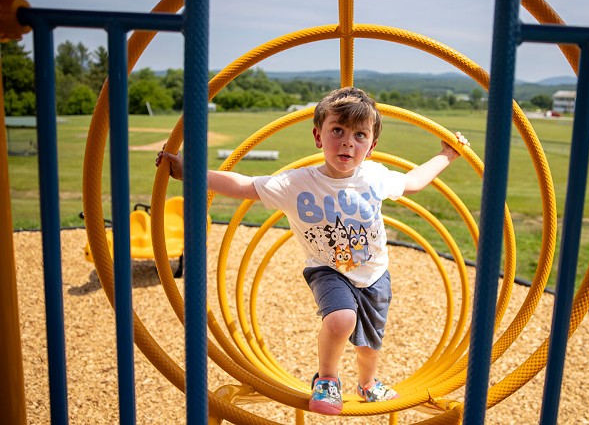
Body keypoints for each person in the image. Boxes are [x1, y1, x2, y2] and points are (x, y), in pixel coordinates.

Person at [156, 87, 469, 415]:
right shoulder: (296, 184)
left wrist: (447, 154)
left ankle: (367, 384)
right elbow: (244, 185)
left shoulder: (375, 176)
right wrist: (186, 171)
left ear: (372, 146)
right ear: (318, 136)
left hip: (374, 273)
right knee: (341, 319)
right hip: (328, 268)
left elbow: (415, 182)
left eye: (359, 135)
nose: (348, 141)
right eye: (338, 130)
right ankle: (327, 379)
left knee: (368, 345)